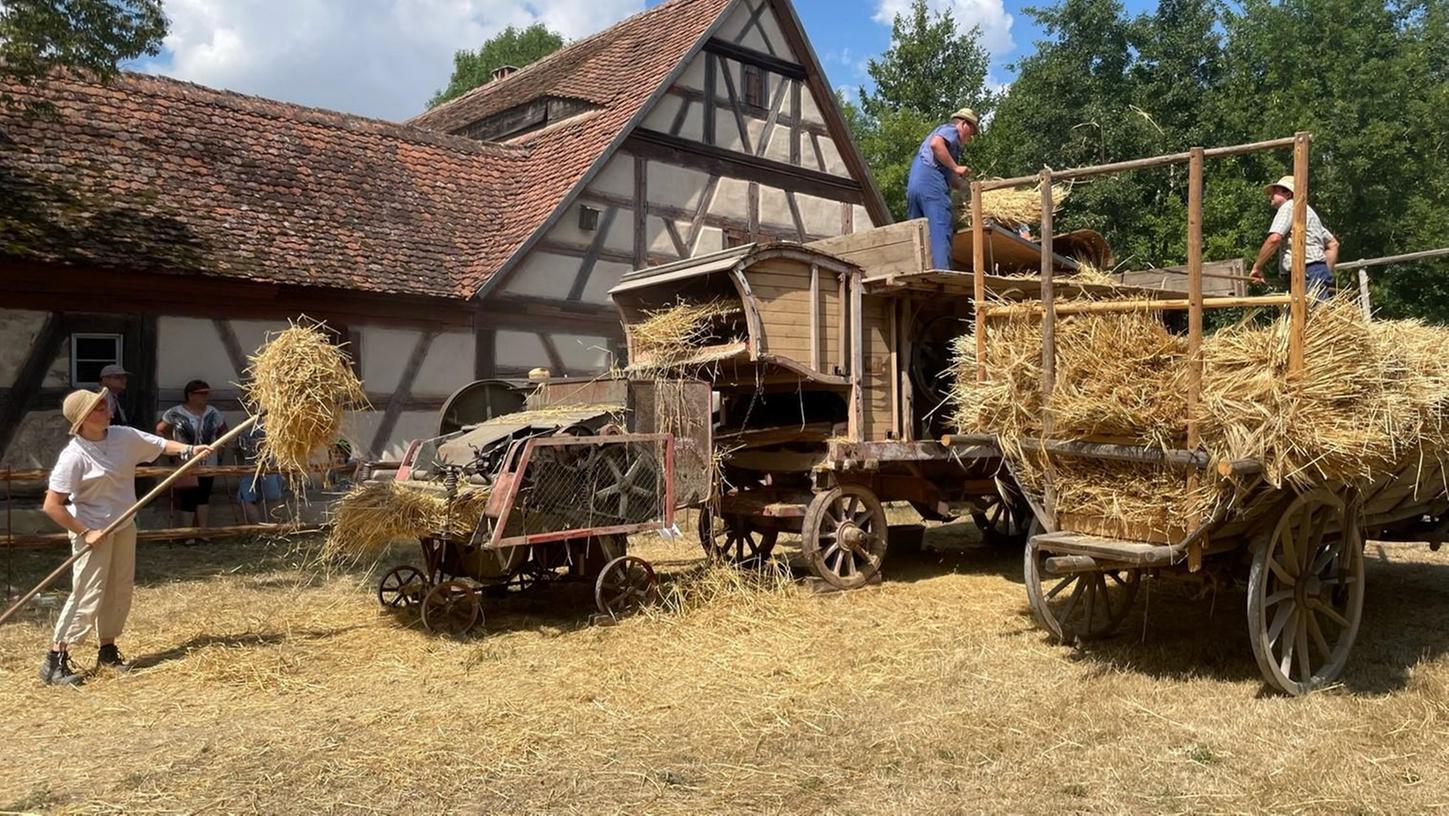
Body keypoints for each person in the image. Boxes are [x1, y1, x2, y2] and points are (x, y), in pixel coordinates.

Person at [40, 387, 213, 685]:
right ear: (83, 419)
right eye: (98, 406)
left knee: (119, 589)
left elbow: (159, 444)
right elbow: (52, 505)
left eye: (105, 403)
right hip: (92, 532)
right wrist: (86, 532)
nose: (107, 407)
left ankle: (107, 649)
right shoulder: (74, 456)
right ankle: (56, 659)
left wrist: (189, 451)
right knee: (88, 593)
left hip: (123, 526)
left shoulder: (123, 436)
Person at [906, 107, 980, 270]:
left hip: (915, 183)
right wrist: (956, 167)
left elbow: (949, 174)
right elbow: (936, 144)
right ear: (964, 124)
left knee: (917, 230)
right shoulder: (950, 130)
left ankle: (917, 270)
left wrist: (964, 187)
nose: (970, 138)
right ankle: (942, 272)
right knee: (940, 226)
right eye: (971, 132)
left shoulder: (949, 150)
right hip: (931, 184)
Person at [1248, 175, 1340, 301]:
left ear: (1288, 193)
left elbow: (1274, 239)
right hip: (1313, 272)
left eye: (1275, 191)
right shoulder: (1308, 212)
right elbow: (1333, 244)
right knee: (1315, 315)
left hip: (1304, 272)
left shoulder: (1289, 206)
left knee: (1308, 315)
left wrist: (1257, 267)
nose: (1271, 196)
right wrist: (1323, 272)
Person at [156, 380, 228, 538]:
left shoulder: (213, 412)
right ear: (190, 395)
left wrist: (219, 446)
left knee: (204, 494)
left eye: (206, 393)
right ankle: (188, 533)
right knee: (188, 496)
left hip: (209, 459)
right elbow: (159, 430)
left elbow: (224, 430)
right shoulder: (175, 412)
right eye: (201, 394)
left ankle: (203, 531)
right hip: (185, 458)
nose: (205, 397)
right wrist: (172, 448)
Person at [236, 420, 283, 523]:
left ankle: (271, 529)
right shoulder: (245, 426)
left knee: (272, 497)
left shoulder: (274, 423)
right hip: (251, 467)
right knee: (245, 498)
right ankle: (261, 529)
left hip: (268, 467)